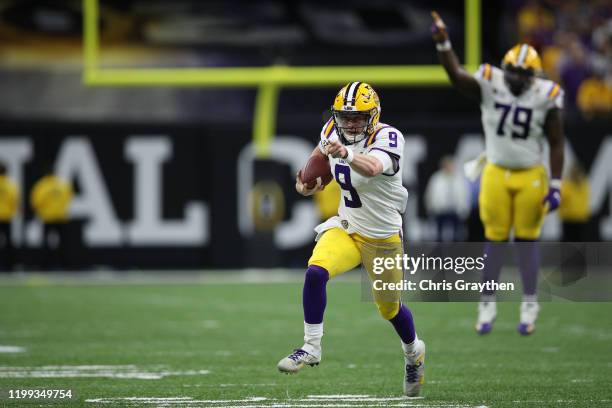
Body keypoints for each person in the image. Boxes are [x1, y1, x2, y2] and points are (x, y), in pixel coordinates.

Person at [276, 82, 425, 396]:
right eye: (346, 116)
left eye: (359, 117)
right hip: (347, 225)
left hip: (382, 237)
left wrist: (346, 154)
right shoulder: (332, 129)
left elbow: (372, 167)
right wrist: (308, 180)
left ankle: (413, 352)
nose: (351, 123)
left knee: (389, 310)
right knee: (316, 271)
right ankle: (311, 346)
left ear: (373, 115)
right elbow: (320, 155)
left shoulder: (389, 136)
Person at [431, 12, 565, 335]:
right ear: (506, 69)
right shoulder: (491, 82)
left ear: (535, 75)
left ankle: (530, 302)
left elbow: (557, 141)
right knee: (494, 240)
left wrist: (556, 183)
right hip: (495, 170)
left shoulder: (546, 95)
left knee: (527, 241)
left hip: (530, 173)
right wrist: (444, 43)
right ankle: (487, 302)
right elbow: (456, 75)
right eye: (514, 72)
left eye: (524, 74)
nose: (518, 79)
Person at [31, 169, 73, 270]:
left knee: (46, 243)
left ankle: (45, 265)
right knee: (63, 243)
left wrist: (43, 211)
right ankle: (64, 265)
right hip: (60, 217)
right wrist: (60, 209)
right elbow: (68, 198)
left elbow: (36, 202)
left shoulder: (42, 185)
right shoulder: (62, 185)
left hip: (47, 218)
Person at [424, 156, 469, 241]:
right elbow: (430, 193)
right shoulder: (436, 178)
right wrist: (430, 207)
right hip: (440, 210)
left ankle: (455, 252)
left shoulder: (459, 178)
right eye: (447, 165)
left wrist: (464, 208)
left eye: (450, 165)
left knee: (457, 234)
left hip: (455, 210)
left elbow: (464, 194)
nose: (449, 167)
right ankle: (439, 252)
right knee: (438, 234)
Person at [0, 163, 19, 271]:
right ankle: (9, 266)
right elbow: (15, 200)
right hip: (6, 217)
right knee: (8, 243)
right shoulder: (10, 185)